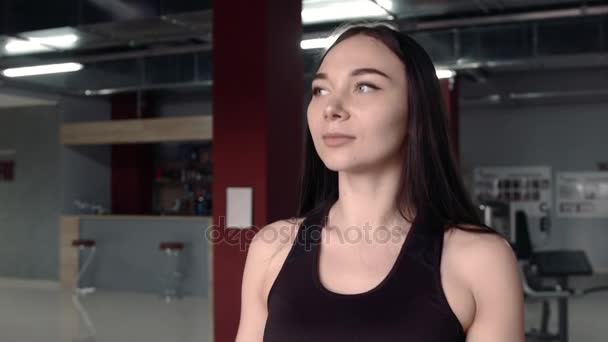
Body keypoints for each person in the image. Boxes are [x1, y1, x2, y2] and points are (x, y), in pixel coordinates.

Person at [236, 22, 524, 342]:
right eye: (320, 90)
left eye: (364, 86)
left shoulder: (480, 260)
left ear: (416, 111)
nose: (331, 108)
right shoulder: (271, 248)